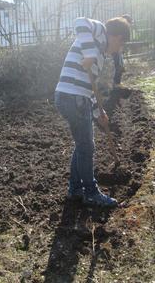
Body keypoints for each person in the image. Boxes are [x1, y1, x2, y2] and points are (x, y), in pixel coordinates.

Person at [54, 16, 131, 208]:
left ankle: (75, 189)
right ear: (117, 37)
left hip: (75, 97)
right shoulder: (99, 32)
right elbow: (80, 21)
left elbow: (90, 88)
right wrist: (88, 54)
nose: (119, 50)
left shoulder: (101, 55)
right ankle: (91, 192)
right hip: (73, 97)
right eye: (122, 44)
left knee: (82, 146)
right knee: (86, 147)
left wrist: (99, 113)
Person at [112, 14, 133, 87]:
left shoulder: (122, 28)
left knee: (119, 66)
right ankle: (115, 83)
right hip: (115, 51)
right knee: (117, 66)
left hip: (118, 51)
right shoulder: (120, 28)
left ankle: (117, 83)